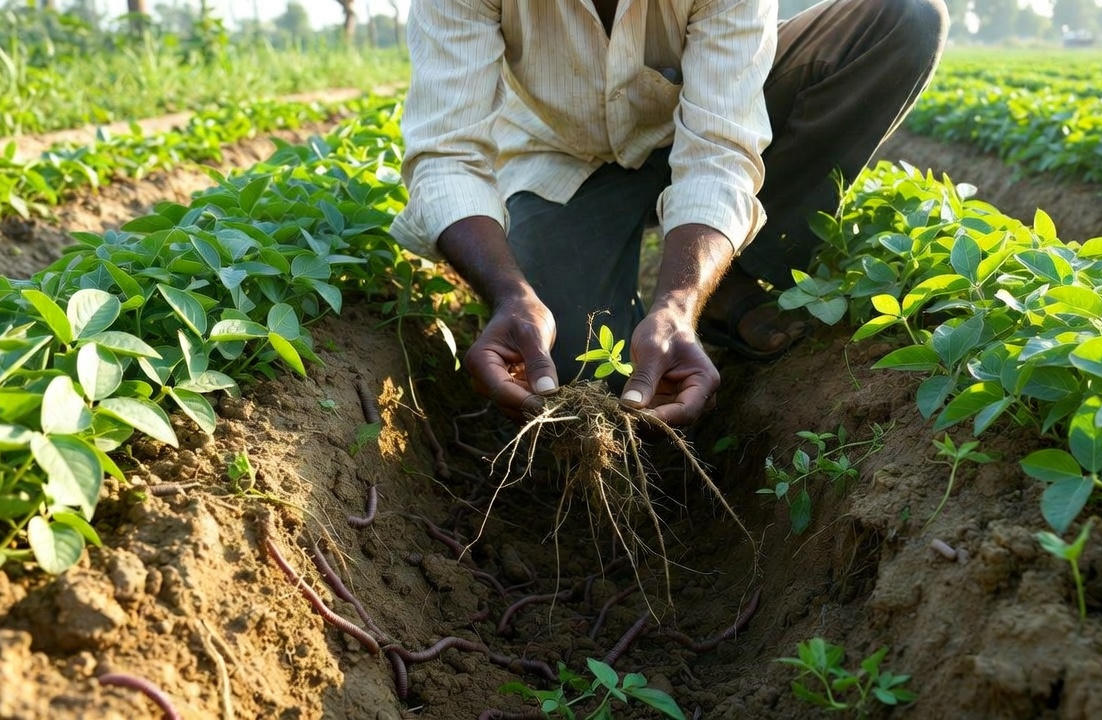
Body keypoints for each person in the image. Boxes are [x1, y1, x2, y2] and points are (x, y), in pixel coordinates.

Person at [392, 0, 948, 426]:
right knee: (570, 383)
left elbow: (719, 153)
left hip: (699, 114)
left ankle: (736, 287)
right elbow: (447, 155)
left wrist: (680, 300)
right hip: (563, 157)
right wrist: (510, 293)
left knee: (905, 16)